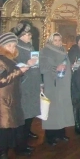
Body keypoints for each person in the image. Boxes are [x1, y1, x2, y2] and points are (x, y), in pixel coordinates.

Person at [40, 33, 74, 146]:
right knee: (52, 110)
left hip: (63, 85)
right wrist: (55, 68)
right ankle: (50, 136)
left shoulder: (64, 51)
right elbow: (42, 67)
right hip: (52, 85)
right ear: (50, 41)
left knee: (62, 108)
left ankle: (61, 133)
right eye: (55, 40)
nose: (58, 42)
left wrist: (70, 67)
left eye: (59, 40)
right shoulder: (45, 51)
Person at [12, 22, 41, 154]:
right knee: (22, 118)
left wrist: (40, 83)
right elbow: (13, 67)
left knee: (30, 115)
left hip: (33, 85)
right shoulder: (16, 48)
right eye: (28, 34)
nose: (30, 36)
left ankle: (25, 140)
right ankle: (19, 146)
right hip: (23, 87)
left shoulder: (30, 47)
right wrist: (26, 64)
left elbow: (37, 66)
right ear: (21, 36)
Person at [0, 32, 30, 158]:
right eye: (9, 46)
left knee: (10, 126)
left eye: (13, 46)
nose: (12, 48)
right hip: (3, 100)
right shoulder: (1, 59)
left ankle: (9, 149)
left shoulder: (10, 59)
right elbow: (1, 81)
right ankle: (2, 153)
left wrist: (20, 71)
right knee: (4, 127)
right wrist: (19, 71)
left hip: (12, 98)